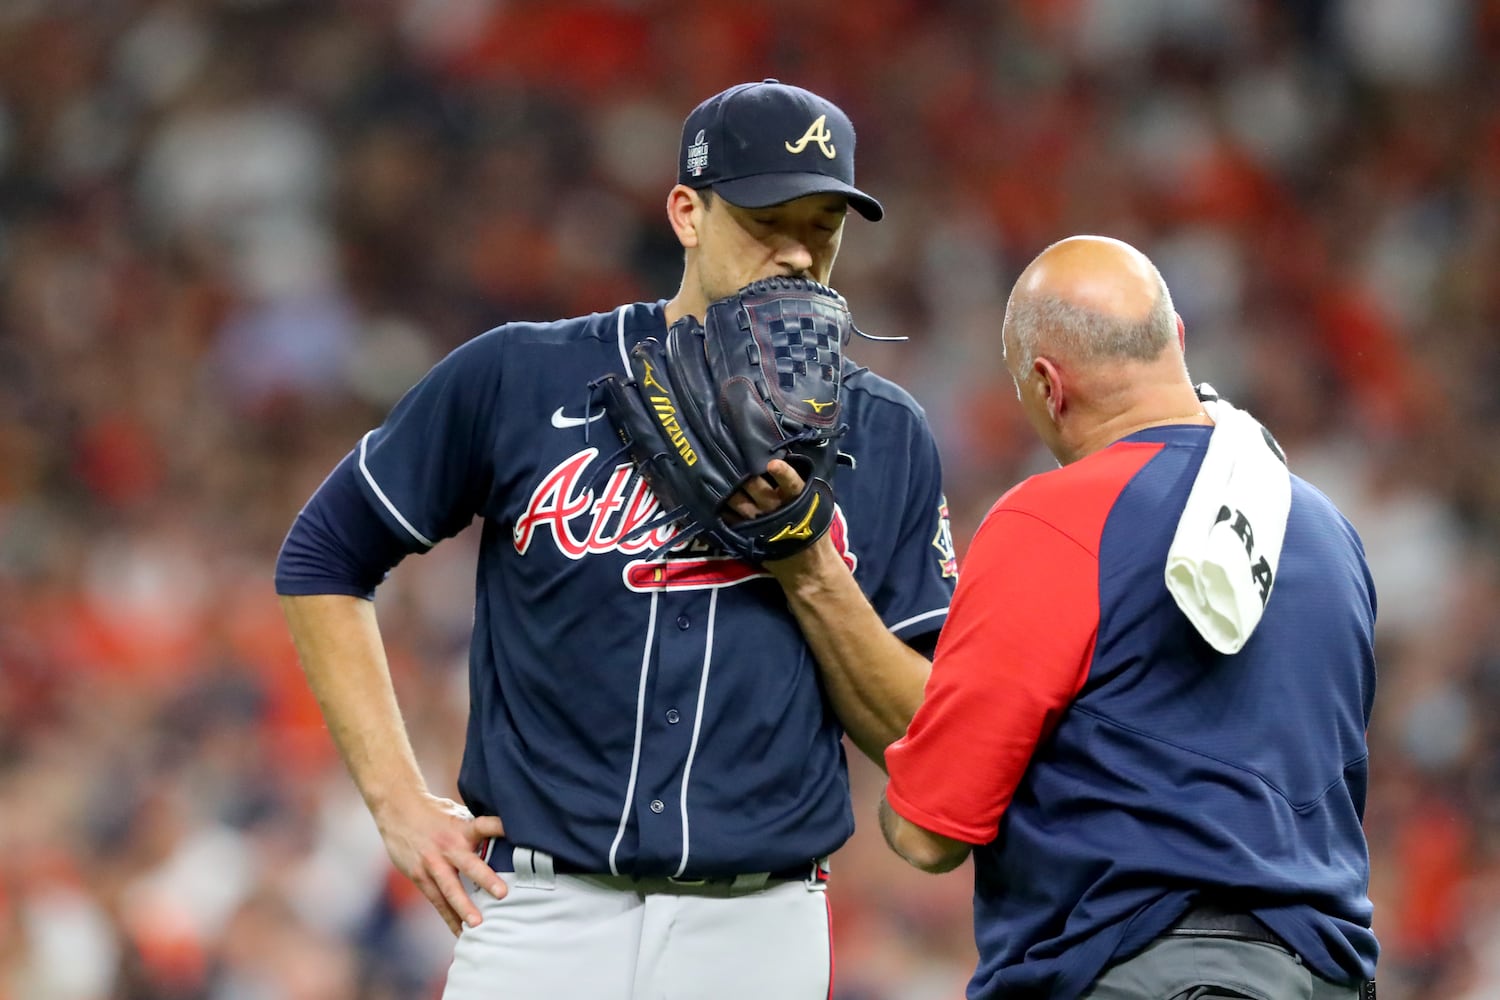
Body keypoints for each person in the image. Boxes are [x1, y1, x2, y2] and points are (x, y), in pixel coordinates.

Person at [274, 79, 954, 1000]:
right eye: (768, 218)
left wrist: (809, 570)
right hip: (541, 915)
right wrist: (396, 803)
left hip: (756, 926)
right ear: (687, 211)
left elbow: (923, 734)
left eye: (824, 226)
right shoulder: (521, 375)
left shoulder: (885, 432)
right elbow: (323, 556)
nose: (798, 252)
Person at [878, 235, 1379, 999]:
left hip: (1143, 972)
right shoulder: (1326, 530)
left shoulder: (1055, 517)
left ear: (1048, 385)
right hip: (1328, 970)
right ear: (1174, 339)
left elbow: (928, 831)